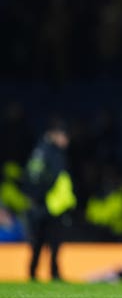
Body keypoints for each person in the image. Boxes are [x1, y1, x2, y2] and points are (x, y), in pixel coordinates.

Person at [23, 117, 76, 281]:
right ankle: (36, 273)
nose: (66, 140)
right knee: (42, 241)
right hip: (46, 204)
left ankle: (46, 272)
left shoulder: (50, 152)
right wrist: (38, 198)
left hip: (53, 205)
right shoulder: (46, 152)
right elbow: (38, 177)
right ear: (55, 135)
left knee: (51, 242)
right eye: (64, 136)